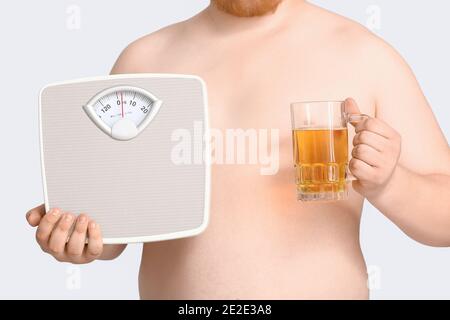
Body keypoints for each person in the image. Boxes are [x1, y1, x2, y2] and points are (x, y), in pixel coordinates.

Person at [26, 0, 450, 299]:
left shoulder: (363, 54)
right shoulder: (143, 60)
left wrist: (391, 183)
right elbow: (117, 228)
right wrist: (80, 239)